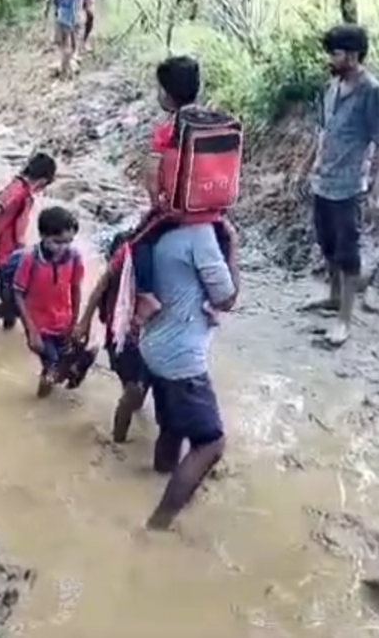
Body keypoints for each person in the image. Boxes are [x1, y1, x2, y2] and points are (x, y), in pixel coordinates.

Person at [138, 201, 239, 531]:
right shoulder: (200, 234)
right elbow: (226, 297)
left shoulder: (162, 229)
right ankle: (157, 524)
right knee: (211, 443)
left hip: (154, 346)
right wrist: (233, 247)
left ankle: (158, 479)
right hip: (182, 357)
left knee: (172, 426)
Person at [300, 24, 379, 347]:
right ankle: (333, 296)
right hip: (322, 181)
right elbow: (322, 132)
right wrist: (305, 165)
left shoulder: (373, 93)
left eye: (335, 53)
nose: (330, 58)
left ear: (353, 56)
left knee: (348, 252)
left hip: (350, 187)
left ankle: (344, 319)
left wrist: (378, 191)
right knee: (326, 244)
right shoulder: (332, 87)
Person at [131, 56, 230, 327]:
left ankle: (146, 295)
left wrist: (155, 203)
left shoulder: (169, 129)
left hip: (178, 213)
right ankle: (213, 301)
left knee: (137, 243)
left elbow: (153, 172)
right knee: (226, 243)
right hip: (211, 211)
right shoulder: (215, 123)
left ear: (166, 93)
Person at [74, 229, 150, 442]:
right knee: (133, 390)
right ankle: (118, 440)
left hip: (143, 339)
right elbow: (97, 294)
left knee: (140, 390)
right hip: (121, 340)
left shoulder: (145, 273)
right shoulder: (117, 273)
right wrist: (84, 323)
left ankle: (130, 422)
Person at [0, 152, 56, 321]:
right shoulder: (18, 192)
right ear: (43, 181)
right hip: (0, 256)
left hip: (7, 254)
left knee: (11, 297)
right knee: (13, 298)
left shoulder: (21, 190)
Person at [12, 206, 86, 397]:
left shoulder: (75, 257)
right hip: (40, 326)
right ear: (43, 236)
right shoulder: (30, 259)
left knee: (67, 360)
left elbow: (76, 289)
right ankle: (39, 404)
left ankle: (60, 382)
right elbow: (18, 293)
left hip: (64, 322)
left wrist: (76, 321)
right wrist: (31, 331)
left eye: (68, 242)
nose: (63, 247)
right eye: (58, 242)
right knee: (51, 366)